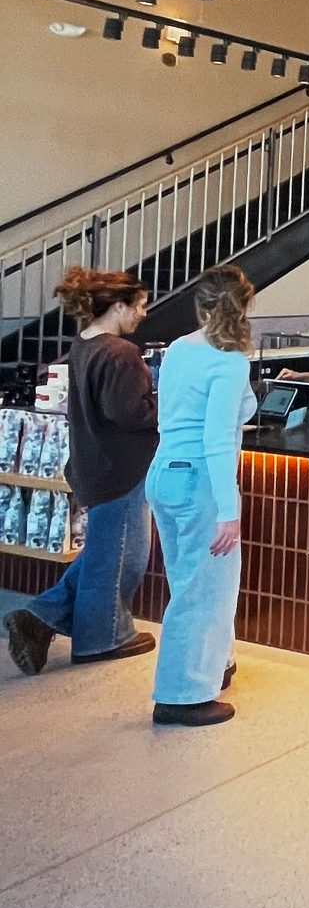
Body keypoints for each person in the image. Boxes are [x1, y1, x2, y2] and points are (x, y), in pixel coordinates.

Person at [3, 268, 159, 677]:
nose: (143, 313)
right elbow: (128, 412)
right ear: (119, 305)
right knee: (123, 559)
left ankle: (39, 618)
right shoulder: (121, 352)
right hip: (121, 467)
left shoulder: (85, 343)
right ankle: (102, 639)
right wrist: (170, 409)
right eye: (139, 305)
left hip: (93, 463)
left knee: (105, 552)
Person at [147, 265, 259, 726]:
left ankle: (214, 665)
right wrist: (229, 511)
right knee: (204, 592)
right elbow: (216, 440)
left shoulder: (178, 349)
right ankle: (182, 695)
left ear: (201, 306)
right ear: (245, 305)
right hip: (201, 483)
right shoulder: (229, 361)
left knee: (188, 581)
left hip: (164, 474)